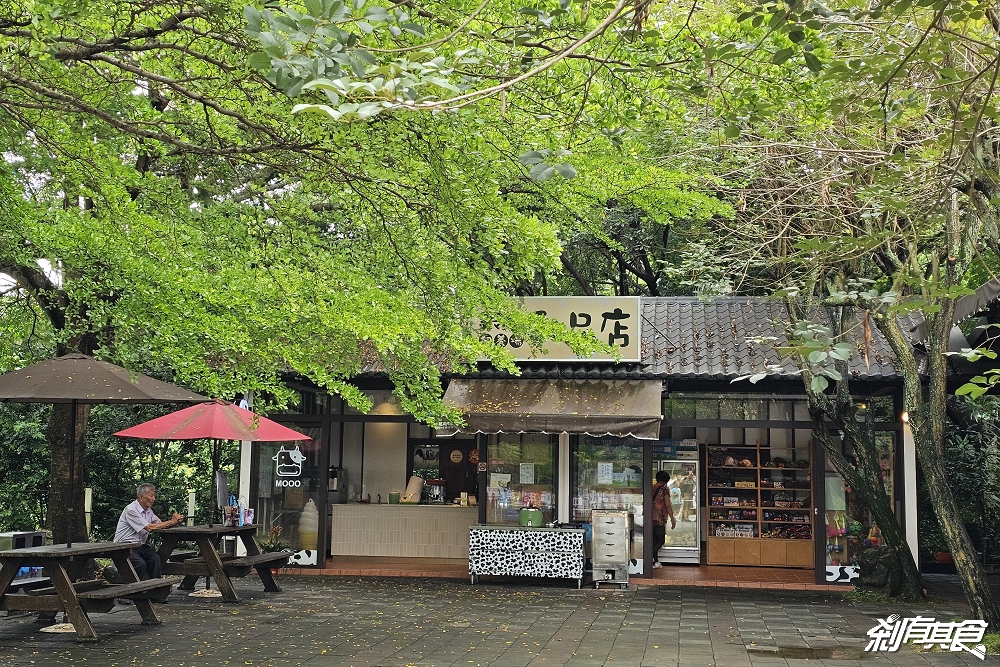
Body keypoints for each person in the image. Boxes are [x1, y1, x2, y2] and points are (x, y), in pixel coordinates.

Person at [115, 483, 184, 580]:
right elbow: (150, 527)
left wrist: (174, 522)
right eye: (151, 496)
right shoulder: (131, 510)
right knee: (140, 564)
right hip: (124, 546)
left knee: (155, 559)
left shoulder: (148, 511)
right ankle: (134, 589)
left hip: (140, 546)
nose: (153, 499)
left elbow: (160, 525)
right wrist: (171, 521)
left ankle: (154, 588)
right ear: (141, 497)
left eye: (154, 496)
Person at [650, 470, 676, 569]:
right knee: (661, 540)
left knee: (654, 540)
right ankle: (647, 557)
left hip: (650, 516)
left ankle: (656, 562)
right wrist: (672, 518)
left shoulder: (652, 487)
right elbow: (668, 505)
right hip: (659, 517)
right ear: (666, 480)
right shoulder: (664, 489)